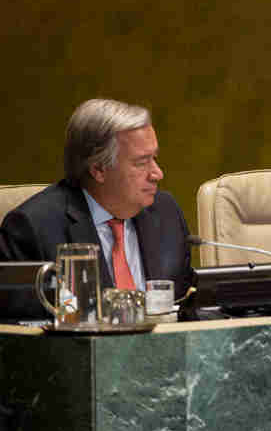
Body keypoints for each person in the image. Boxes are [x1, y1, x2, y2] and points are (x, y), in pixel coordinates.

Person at [0, 98, 194, 297]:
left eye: (155, 158)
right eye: (141, 162)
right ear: (99, 169)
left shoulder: (165, 211)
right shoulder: (32, 228)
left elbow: (189, 305)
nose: (157, 174)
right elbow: (20, 321)